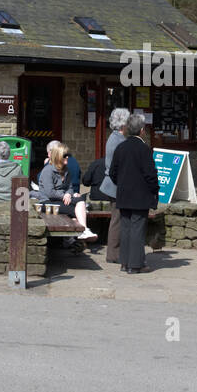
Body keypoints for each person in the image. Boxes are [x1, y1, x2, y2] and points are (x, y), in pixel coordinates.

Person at [109, 112, 159, 273]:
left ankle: (124, 263)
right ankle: (135, 265)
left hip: (123, 194)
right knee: (137, 229)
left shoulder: (120, 147)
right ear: (142, 130)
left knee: (126, 228)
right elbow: (151, 175)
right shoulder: (144, 149)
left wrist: (122, 184)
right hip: (140, 196)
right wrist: (154, 190)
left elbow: (112, 173)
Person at [37, 142, 98, 241]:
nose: (67, 158)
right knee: (75, 210)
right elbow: (50, 193)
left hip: (60, 201)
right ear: (58, 157)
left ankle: (82, 232)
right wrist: (64, 195)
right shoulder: (48, 171)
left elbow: (70, 188)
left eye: (67, 156)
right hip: (47, 202)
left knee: (81, 200)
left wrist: (68, 194)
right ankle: (79, 234)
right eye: (65, 156)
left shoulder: (66, 170)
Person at [98, 108, 130, 264]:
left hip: (114, 184)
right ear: (124, 124)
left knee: (117, 219)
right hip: (116, 185)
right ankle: (113, 254)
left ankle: (116, 252)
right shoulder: (118, 140)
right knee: (117, 220)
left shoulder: (115, 137)